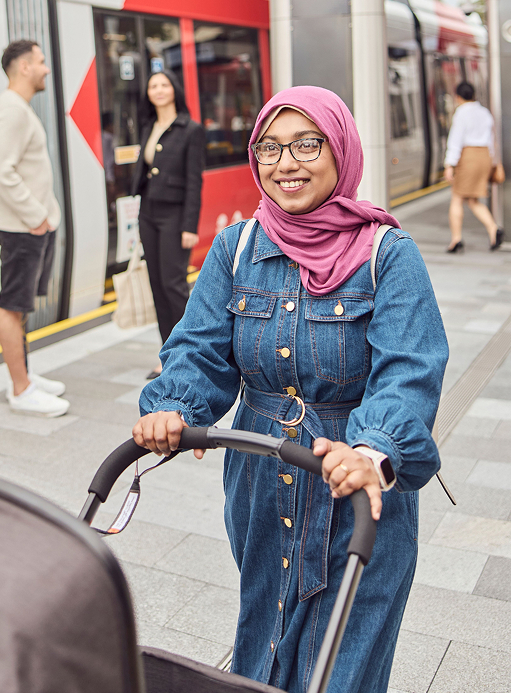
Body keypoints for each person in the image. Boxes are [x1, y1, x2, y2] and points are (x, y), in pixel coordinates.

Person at [133, 86, 448, 693]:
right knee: (266, 645)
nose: (286, 163)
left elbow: (409, 371)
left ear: (341, 151)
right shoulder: (237, 247)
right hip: (260, 488)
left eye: (307, 144)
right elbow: (198, 347)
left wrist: (371, 451)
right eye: (270, 148)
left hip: (354, 492)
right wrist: (173, 404)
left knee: (341, 669)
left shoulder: (388, 255)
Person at [0, 40, 68, 417]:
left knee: (20, 307)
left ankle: (25, 376)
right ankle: (21, 389)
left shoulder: (18, 109)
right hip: (22, 228)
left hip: (29, 226)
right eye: (40, 61)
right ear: (22, 67)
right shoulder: (11, 111)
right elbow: (0, 172)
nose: (45, 68)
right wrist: (37, 216)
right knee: (11, 306)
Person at [130, 69, 204, 379]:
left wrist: (190, 226)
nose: (158, 90)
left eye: (163, 84)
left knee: (174, 287)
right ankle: (166, 355)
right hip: (148, 213)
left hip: (175, 216)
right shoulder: (149, 126)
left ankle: (190, 354)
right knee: (157, 286)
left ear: (174, 90)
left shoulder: (191, 129)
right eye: (153, 85)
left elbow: (194, 181)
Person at [443, 81, 503, 252]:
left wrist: (449, 164)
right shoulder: (484, 112)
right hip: (484, 155)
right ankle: (494, 229)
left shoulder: (461, 113)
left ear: (458, 96)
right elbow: (492, 140)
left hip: (468, 156)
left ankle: (456, 240)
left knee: (457, 197)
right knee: (472, 199)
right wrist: (492, 162)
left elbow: (456, 140)